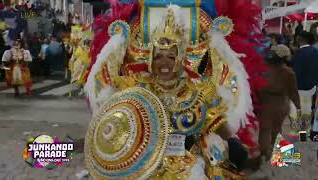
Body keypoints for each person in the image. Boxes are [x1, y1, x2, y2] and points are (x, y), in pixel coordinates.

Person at [83, 0, 268, 178]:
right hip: (146, 167)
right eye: (158, 57)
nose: (164, 63)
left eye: (171, 57)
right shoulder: (137, 88)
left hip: (187, 165)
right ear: (149, 60)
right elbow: (115, 113)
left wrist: (233, 142)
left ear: (181, 59)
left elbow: (215, 122)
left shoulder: (197, 92)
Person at [256, 44, 301, 162]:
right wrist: (298, 106)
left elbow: (255, 86)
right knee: (277, 128)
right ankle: (274, 149)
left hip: (265, 102)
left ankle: (263, 153)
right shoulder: (289, 73)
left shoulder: (262, 68)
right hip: (282, 103)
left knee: (265, 129)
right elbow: (293, 92)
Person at [292, 31, 318, 130]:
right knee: (307, 110)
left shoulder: (299, 52)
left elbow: (296, 71)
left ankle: (296, 131)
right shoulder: (315, 51)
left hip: (299, 86)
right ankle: (305, 131)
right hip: (312, 86)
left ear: (302, 39)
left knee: (295, 110)